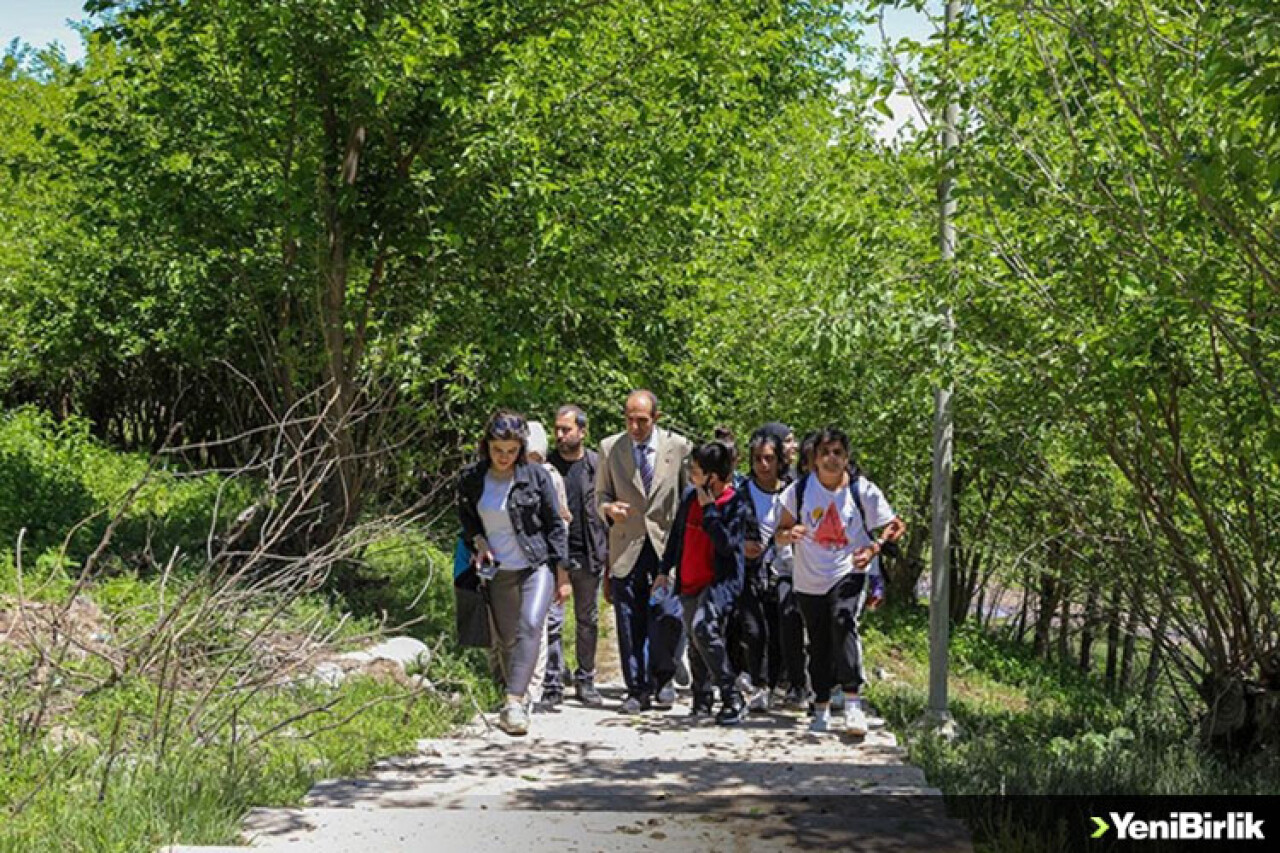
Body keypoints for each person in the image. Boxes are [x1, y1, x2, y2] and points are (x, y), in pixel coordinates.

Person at [775, 426, 905, 735]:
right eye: (825, 453)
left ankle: (852, 703)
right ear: (815, 458)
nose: (831, 459)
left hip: (848, 571)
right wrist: (790, 534)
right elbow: (779, 533)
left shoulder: (863, 490)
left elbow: (895, 525)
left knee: (843, 622)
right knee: (818, 640)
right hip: (808, 578)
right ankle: (820, 706)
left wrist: (874, 548)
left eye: (838, 453)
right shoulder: (798, 491)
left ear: (846, 457)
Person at [458, 411, 570, 735]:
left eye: (511, 450)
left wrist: (563, 575)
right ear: (487, 446)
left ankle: (514, 702)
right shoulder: (471, 478)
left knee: (531, 625)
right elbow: (467, 520)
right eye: (498, 450)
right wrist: (480, 543)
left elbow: (555, 525)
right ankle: (516, 694)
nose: (504, 457)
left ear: (521, 448)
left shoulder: (535, 476)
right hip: (498, 570)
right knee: (507, 641)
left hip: (536, 564)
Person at [596, 389, 691, 713]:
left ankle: (663, 678)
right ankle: (637, 689)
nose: (634, 427)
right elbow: (599, 497)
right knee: (629, 618)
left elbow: (687, 498)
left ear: (656, 418)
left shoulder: (678, 447)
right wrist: (608, 509)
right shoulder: (610, 448)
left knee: (667, 614)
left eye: (641, 421)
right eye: (629, 420)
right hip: (627, 544)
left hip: (666, 544)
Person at [652, 440, 751, 725]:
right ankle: (702, 697)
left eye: (695, 471)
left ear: (712, 477)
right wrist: (664, 570)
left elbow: (727, 545)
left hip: (718, 583)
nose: (691, 475)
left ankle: (732, 696)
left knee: (703, 629)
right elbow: (677, 536)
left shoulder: (736, 503)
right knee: (695, 641)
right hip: (689, 579)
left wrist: (710, 512)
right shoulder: (688, 497)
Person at [546, 404, 610, 707]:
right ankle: (553, 680)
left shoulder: (598, 466)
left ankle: (586, 679)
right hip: (553, 556)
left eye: (566, 429)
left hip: (588, 553)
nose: (560, 435)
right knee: (552, 622)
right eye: (557, 429)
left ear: (582, 432)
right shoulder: (546, 467)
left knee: (588, 620)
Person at [744, 425, 808, 709]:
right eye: (758, 459)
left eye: (769, 458)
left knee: (785, 624)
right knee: (754, 630)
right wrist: (742, 545)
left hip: (788, 569)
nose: (763, 465)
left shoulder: (796, 490)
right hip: (751, 571)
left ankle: (790, 684)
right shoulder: (742, 492)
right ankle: (759, 685)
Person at [524, 421, 573, 709]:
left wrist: (561, 573)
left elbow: (561, 525)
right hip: (518, 561)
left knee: (544, 625)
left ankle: (542, 685)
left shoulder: (551, 477)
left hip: (545, 561)